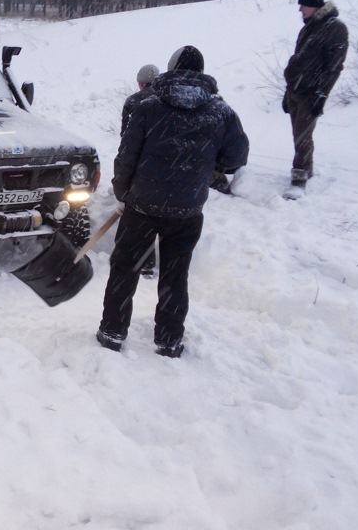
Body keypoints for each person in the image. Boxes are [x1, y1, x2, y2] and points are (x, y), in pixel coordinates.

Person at [97, 45, 249, 358]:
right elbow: (236, 158)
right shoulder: (220, 111)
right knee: (175, 275)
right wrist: (206, 162)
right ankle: (168, 339)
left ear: (171, 68)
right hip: (187, 209)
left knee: (125, 268)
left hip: (142, 206)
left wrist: (122, 193)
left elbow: (127, 156)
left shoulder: (148, 106)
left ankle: (112, 331)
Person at [282, 0, 348, 190]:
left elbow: (334, 67)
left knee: (303, 136)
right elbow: (298, 61)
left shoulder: (335, 28)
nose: (300, 9)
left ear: (315, 6)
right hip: (296, 89)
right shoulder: (308, 28)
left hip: (311, 93)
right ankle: (307, 168)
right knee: (298, 135)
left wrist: (321, 95)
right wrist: (288, 90)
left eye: (303, 5)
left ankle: (299, 177)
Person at [121, 63, 159, 277]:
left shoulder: (134, 101)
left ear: (141, 83)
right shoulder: (168, 101)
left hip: (140, 167)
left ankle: (143, 262)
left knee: (141, 217)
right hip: (164, 169)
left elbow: (125, 139)